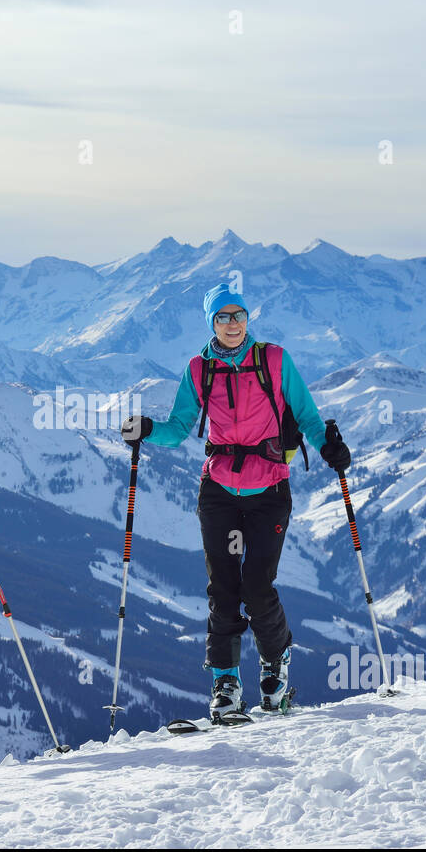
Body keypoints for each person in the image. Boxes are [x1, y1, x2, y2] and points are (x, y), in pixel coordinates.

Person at [122, 283, 351, 719]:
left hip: (269, 491)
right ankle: (225, 682)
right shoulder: (198, 370)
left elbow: (306, 415)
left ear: (249, 319)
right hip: (219, 492)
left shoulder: (274, 360)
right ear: (211, 322)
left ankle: (275, 667)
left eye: (239, 315)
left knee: (258, 586)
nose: (232, 324)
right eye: (223, 317)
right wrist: (146, 429)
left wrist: (330, 449)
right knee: (223, 587)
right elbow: (178, 427)